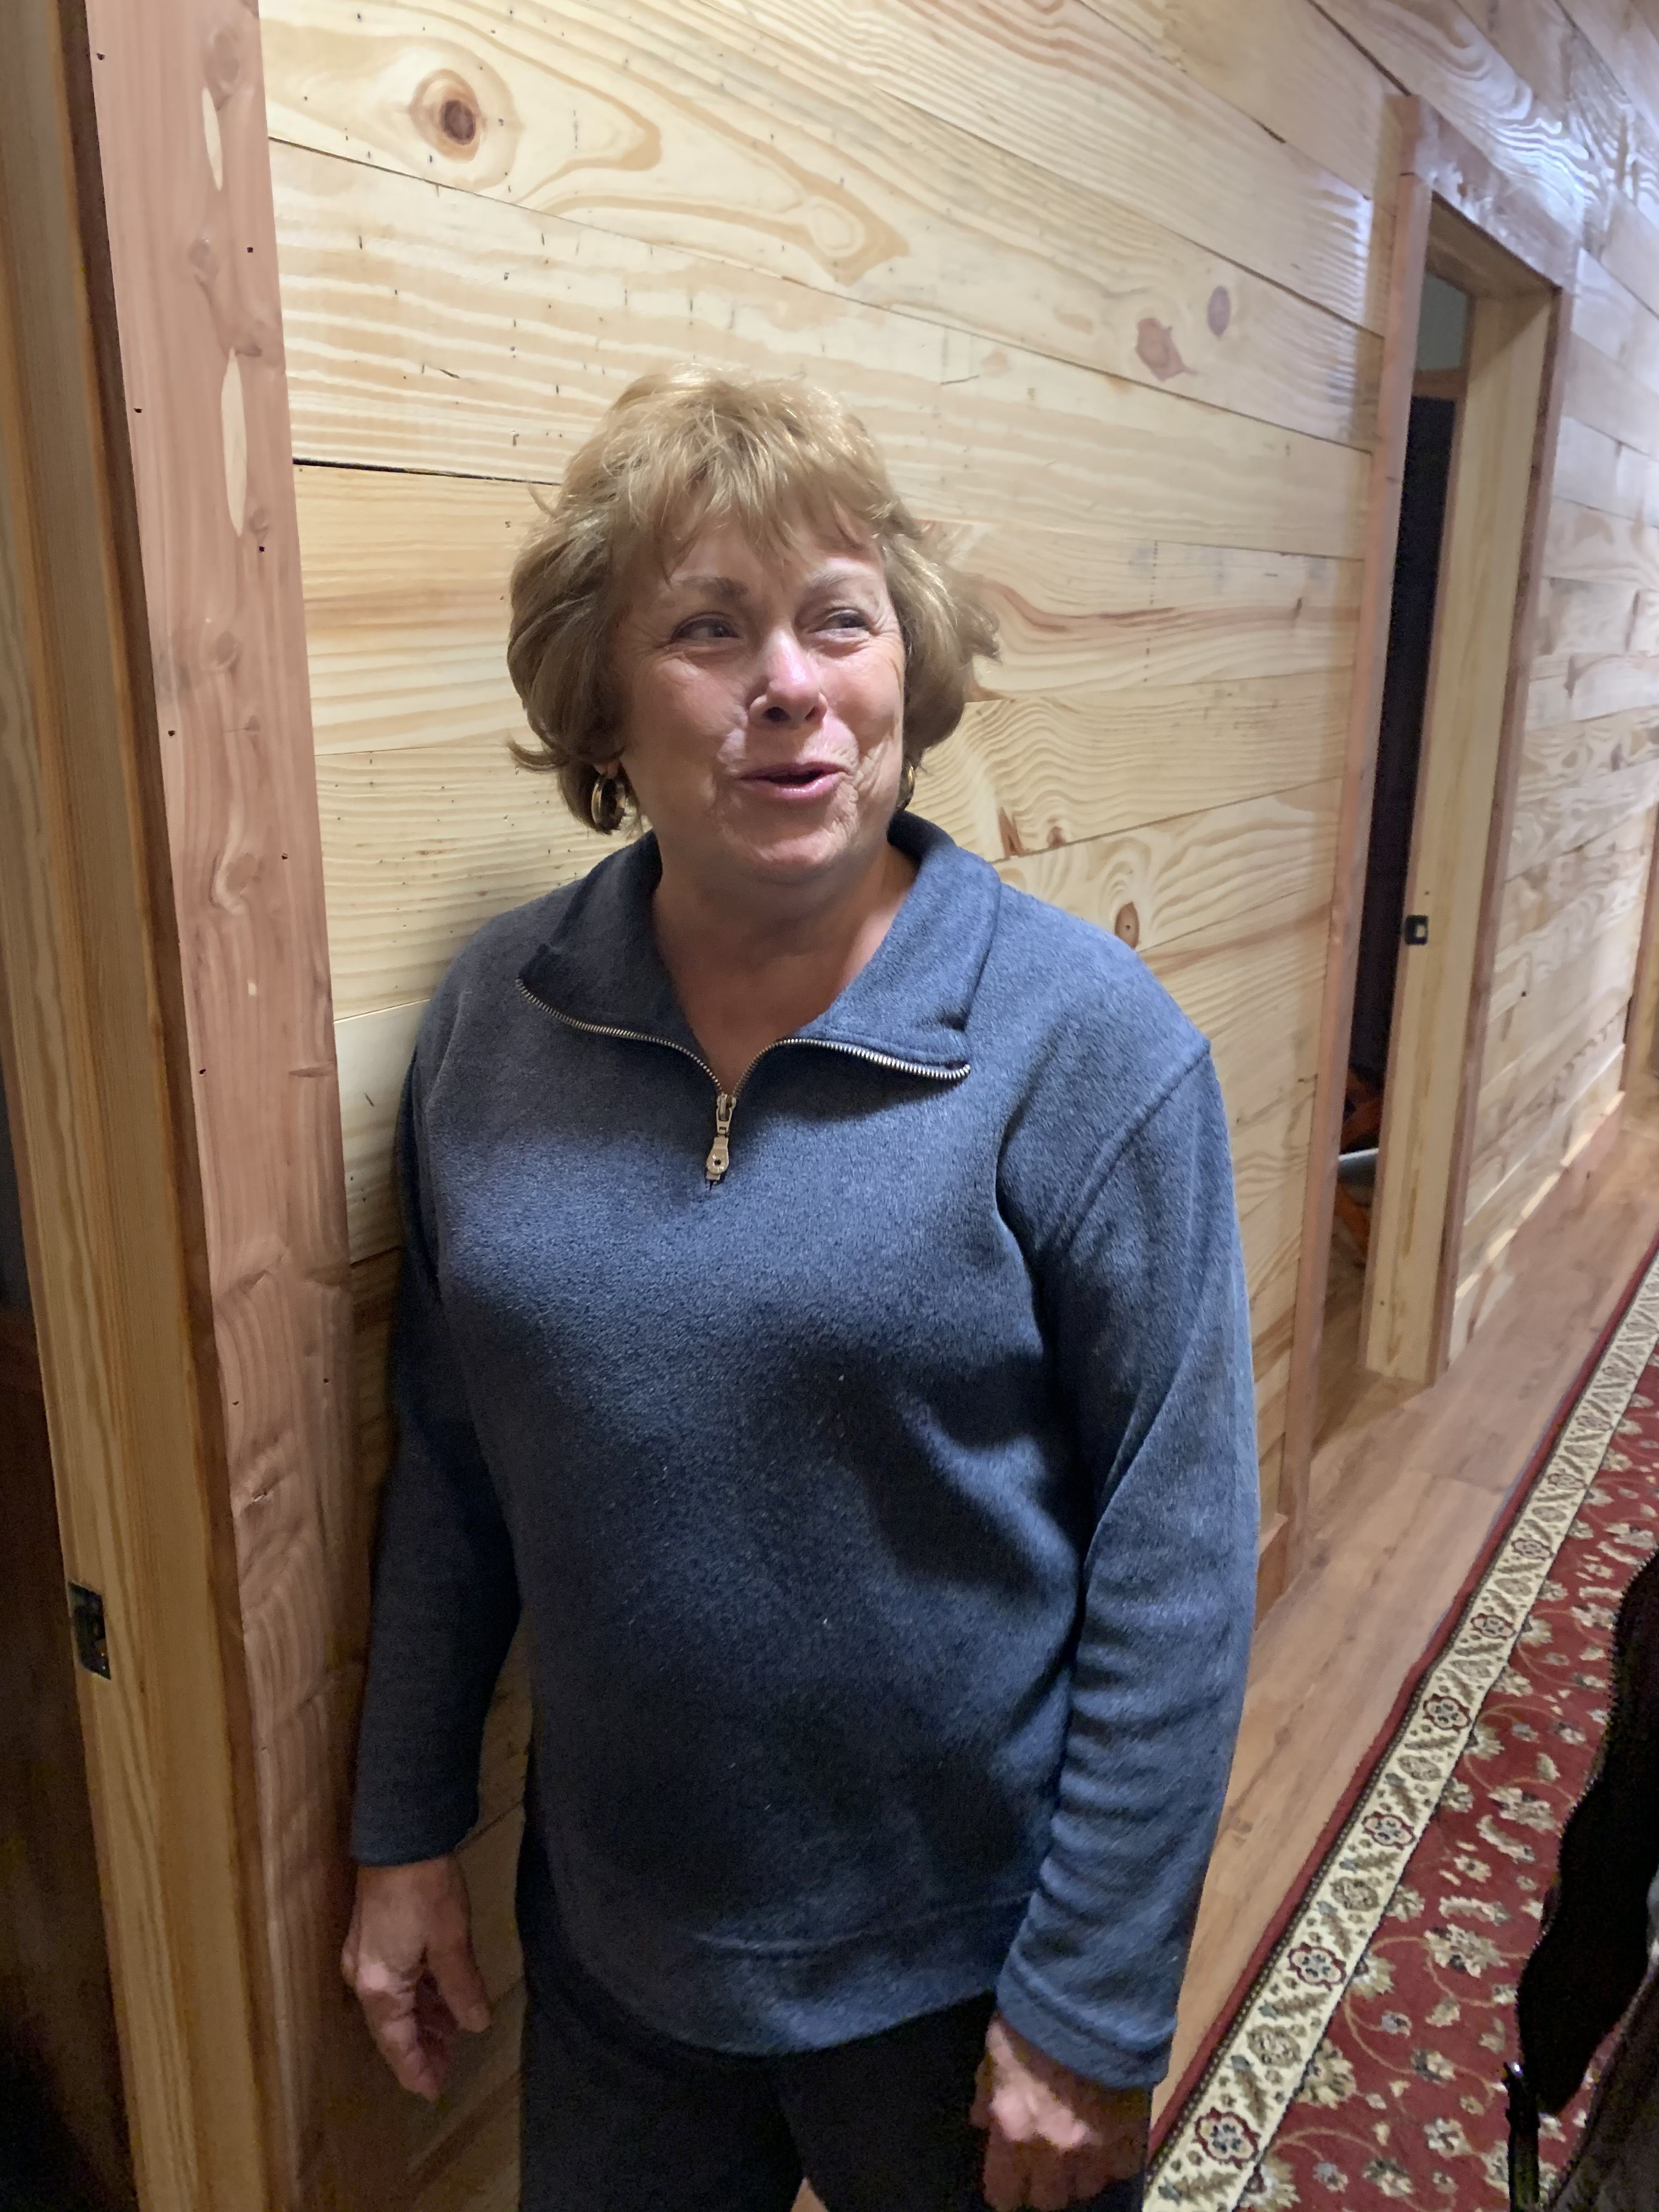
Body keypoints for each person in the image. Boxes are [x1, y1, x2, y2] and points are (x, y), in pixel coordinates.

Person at [340, 368, 1259, 2212]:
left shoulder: (1086, 1049)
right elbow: (450, 1468)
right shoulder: (495, 1025)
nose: (789, 682)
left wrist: (1091, 2003)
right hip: (618, 1967)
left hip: (970, 1979)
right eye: (707, 627)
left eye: (840, 619)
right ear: (603, 698)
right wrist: (404, 1826)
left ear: (907, 663)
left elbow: (1177, 1554)